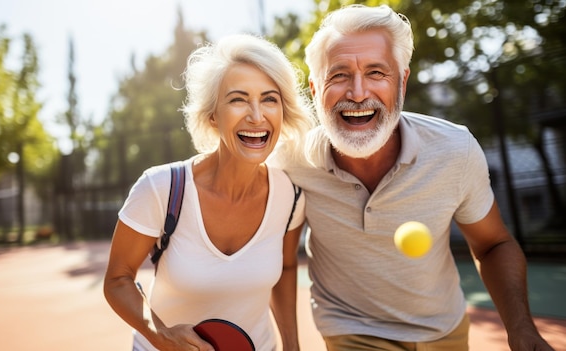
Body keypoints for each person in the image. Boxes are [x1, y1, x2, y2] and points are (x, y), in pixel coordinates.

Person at [271, 4, 555, 351]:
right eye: (339, 75)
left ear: (402, 81)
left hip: (445, 330)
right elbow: (283, 262)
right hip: (351, 331)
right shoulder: (290, 160)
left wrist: (521, 329)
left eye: (376, 72)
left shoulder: (455, 150)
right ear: (315, 89)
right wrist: (290, 345)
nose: (358, 93)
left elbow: (493, 244)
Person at [103, 33, 313, 351]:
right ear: (213, 114)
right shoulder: (161, 189)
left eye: (270, 99)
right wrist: (161, 334)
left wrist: (292, 346)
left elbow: (284, 269)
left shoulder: (291, 196)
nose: (257, 116)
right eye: (238, 99)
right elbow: (117, 279)